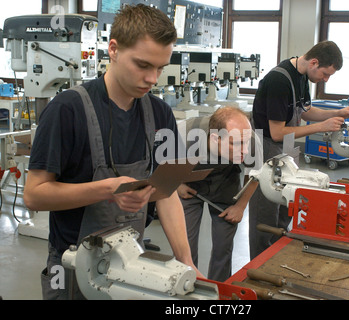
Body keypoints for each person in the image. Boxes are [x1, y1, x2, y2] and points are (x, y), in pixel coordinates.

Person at [23, 4, 203, 300]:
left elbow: (166, 192)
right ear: (114, 50)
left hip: (132, 264)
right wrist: (107, 189)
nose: (152, 79)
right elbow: (34, 195)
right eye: (143, 65)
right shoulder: (67, 110)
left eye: (160, 68)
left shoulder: (160, 113)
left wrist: (186, 260)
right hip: (71, 266)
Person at [249, 40, 349, 259]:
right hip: (267, 148)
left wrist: (339, 112)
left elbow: (305, 111)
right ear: (314, 62)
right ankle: (258, 267)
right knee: (266, 213)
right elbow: (278, 132)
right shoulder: (279, 80)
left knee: (286, 205)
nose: (325, 80)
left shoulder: (302, 77)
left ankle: (276, 258)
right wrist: (321, 128)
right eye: (325, 74)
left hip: (286, 148)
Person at [176, 107, 260, 282]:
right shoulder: (184, 133)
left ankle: (219, 289)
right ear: (215, 138)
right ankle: (187, 288)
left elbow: (254, 176)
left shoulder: (250, 139)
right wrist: (178, 184)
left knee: (223, 246)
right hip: (190, 187)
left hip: (226, 185)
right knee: (185, 246)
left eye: (245, 143)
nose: (244, 150)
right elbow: (161, 162)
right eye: (235, 144)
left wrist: (240, 206)